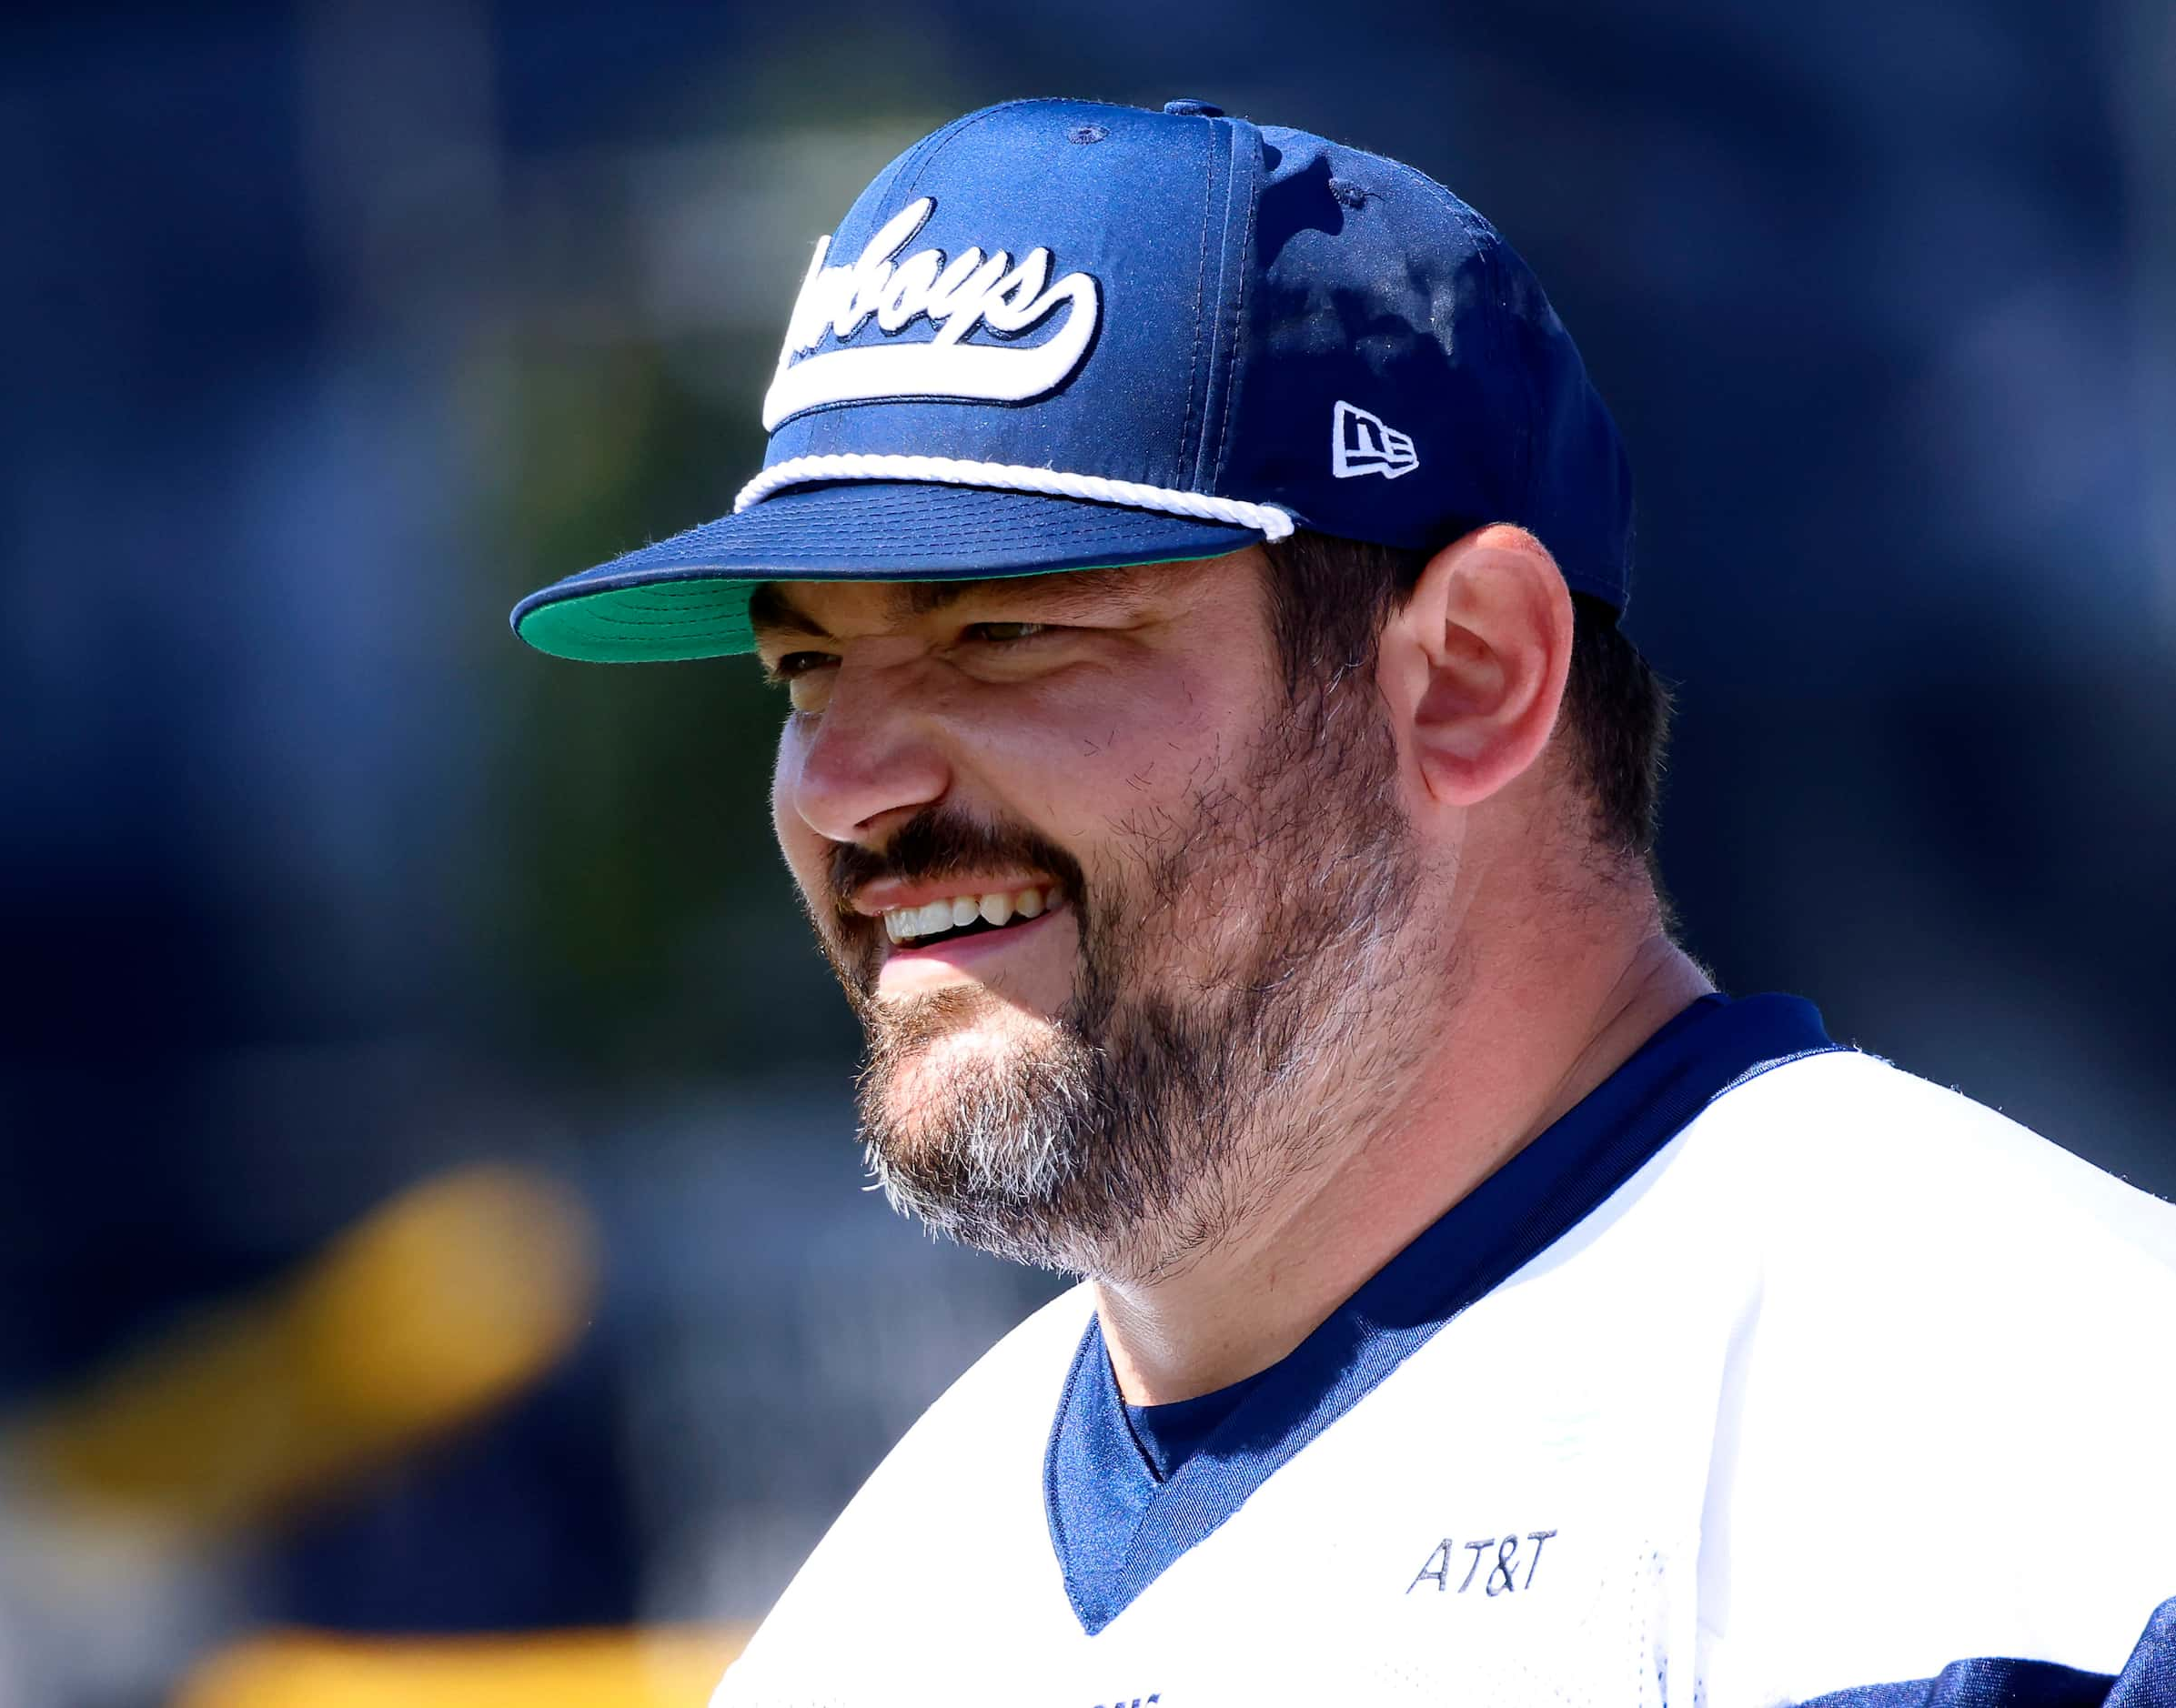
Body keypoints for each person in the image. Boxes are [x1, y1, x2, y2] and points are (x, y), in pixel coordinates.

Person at [511, 97, 2176, 1705]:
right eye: (805, 670)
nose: (842, 786)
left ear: (1467, 675)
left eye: (1002, 633)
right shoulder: (862, 1640)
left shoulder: (2073, 1474)